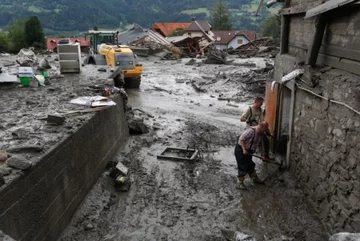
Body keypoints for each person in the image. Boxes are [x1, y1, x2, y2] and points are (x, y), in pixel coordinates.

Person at [234, 121, 269, 190]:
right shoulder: (251, 131)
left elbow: (261, 146)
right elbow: (241, 139)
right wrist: (244, 149)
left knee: (250, 165)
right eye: (265, 130)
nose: (265, 131)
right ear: (261, 127)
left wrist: (263, 155)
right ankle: (239, 183)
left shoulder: (261, 134)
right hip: (241, 150)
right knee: (243, 166)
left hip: (249, 151)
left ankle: (254, 178)